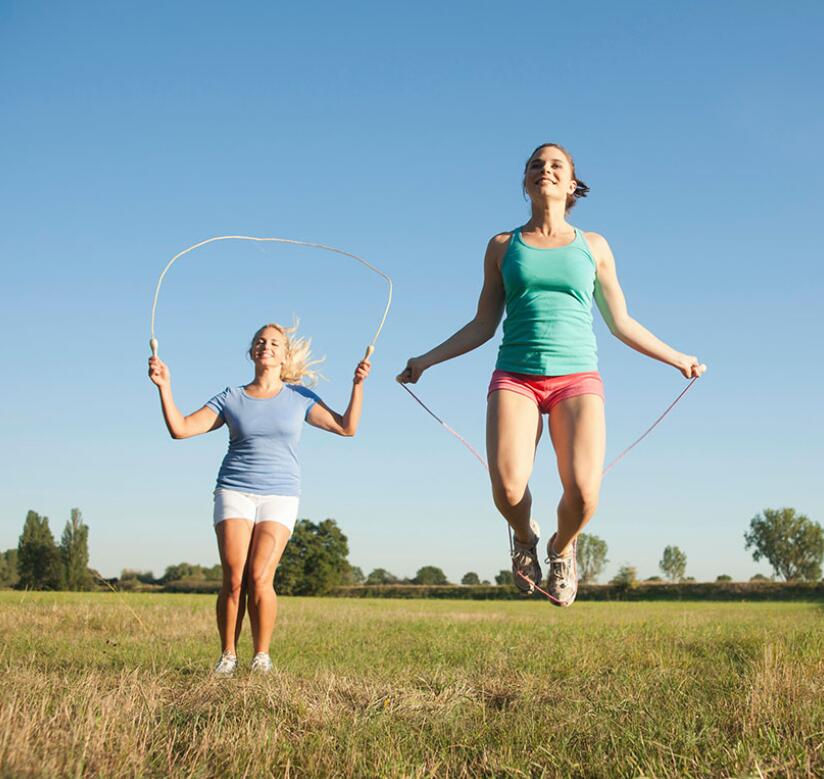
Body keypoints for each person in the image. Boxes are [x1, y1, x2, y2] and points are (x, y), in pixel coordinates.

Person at [398, 142, 702, 607]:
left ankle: (561, 549)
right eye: (536, 165)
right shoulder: (502, 246)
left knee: (583, 491)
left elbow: (621, 321)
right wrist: (426, 360)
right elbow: (483, 324)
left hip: (576, 377)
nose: (546, 170)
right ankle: (525, 538)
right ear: (526, 182)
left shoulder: (594, 246)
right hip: (515, 376)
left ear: (573, 183)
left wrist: (677, 357)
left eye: (556, 165)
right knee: (508, 486)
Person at [148, 321, 370, 672]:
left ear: (285, 356)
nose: (266, 346)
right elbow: (181, 428)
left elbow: (347, 427)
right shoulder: (230, 397)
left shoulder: (299, 397)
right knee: (234, 578)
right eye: (260, 341)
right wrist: (165, 386)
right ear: (252, 351)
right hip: (234, 489)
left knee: (260, 576)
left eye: (274, 343)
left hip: (280, 494)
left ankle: (261, 657)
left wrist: (357, 386)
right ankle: (228, 656)